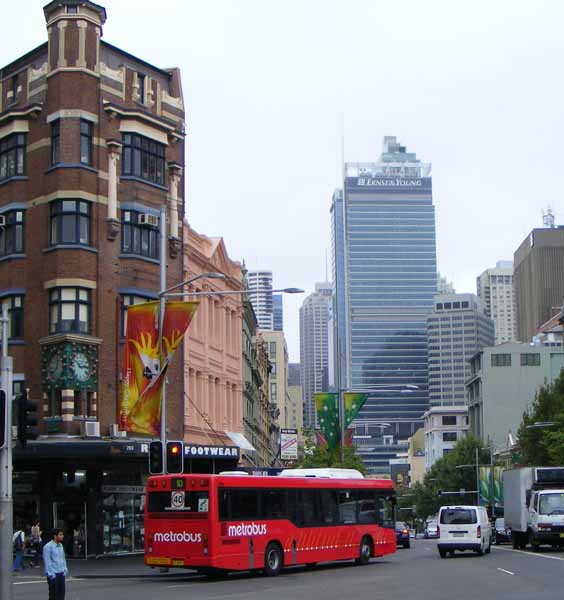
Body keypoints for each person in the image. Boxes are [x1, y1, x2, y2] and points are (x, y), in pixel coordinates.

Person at [43, 529, 68, 600]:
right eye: (60, 535)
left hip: (61, 574)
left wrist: (65, 570)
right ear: (55, 536)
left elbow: (63, 558)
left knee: (61, 596)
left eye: (62, 535)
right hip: (53, 575)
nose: (62, 536)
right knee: (53, 597)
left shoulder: (61, 545)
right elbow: (47, 562)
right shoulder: (48, 547)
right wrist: (51, 575)